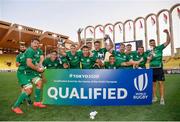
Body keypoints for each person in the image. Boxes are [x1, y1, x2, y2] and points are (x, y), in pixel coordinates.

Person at [12, 38, 46, 114]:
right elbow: (29, 64)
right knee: (29, 90)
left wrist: (40, 64)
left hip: (31, 72)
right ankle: (15, 107)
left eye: (37, 43)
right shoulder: (29, 51)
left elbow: (41, 57)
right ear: (31, 43)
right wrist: (38, 69)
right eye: (34, 43)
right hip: (23, 72)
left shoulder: (38, 50)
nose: (36, 44)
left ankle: (37, 102)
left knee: (39, 82)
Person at [147, 29, 171, 105]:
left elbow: (167, 42)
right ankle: (154, 97)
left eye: (153, 43)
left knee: (161, 83)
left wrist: (167, 33)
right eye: (151, 43)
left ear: (155, 43)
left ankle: (162, 98)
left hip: (159, 68)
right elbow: (148, 61)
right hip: (151, 69)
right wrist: (150, 57)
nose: (152, 44)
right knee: (153, 84)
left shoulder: (159, 48)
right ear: (149, 44)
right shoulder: (148, 51)